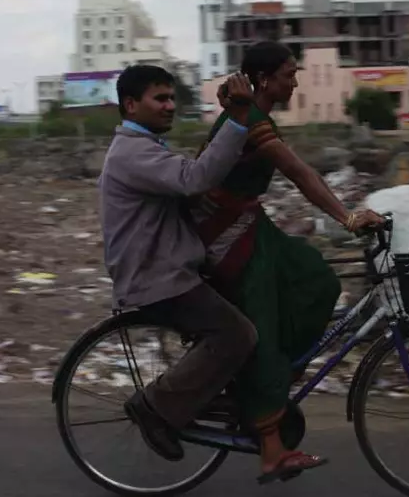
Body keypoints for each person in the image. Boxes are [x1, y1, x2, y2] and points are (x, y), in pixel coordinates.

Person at [189, 42, 385, 484]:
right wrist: (348, 218)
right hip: (225, 234)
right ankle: (272, 449)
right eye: (288, 75)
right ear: (263, 79)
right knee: (264, 324)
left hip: (249, 223)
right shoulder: (250, 120)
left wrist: (347, 215)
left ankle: (278, 374)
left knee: (317, 279)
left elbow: (299, 174)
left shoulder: (253, 115)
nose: (295, 82)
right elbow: (300, 173)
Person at [99, 64, 259, 463]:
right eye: (160, 98)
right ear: (131, 105)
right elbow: (193, 179)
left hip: (170, 268)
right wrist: (238, 119)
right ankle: (154, 406)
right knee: (237, 334)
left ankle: (213, 395)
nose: (170, 106)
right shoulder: (133, 153)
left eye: (172, 98)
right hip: (157, 277)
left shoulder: (146, 146)